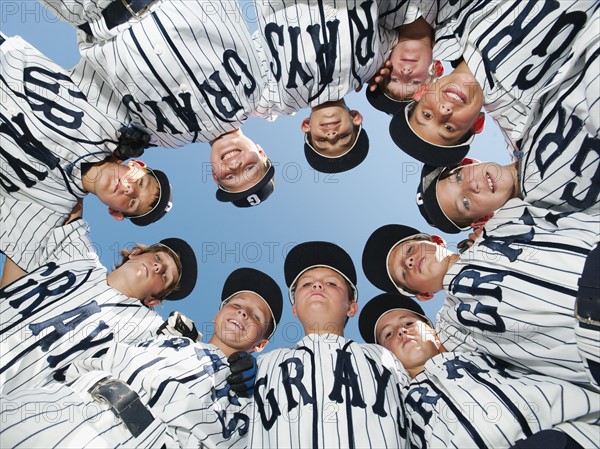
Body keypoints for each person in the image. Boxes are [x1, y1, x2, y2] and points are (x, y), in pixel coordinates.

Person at [0, 267, 283, 448]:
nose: (243, 313)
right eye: (236, 304)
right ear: (219, 313)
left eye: (256, 316)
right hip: (59, 406)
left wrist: (255, 393)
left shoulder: (254, 398)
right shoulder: (163, 334)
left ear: (261, 344)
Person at [35, 0, 275, 207]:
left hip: (89, 11)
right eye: (250, 169)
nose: (235, 166)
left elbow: (82, 114)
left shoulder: (160, 138)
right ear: (261, 152)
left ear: (215, 176)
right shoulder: (260, 85)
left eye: (230, 178)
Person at [362, 199, 600, 388]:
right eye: (404, 273)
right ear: (423, 294)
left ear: (436, 240)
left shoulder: (505, 218)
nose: (411, 261)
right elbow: (429, 363)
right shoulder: (451, 327)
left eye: (410, 249)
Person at [358, 292, 600, 449]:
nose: (401, 331)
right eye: (388, 334)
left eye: (409, 323)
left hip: (571, 436)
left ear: (432, 330)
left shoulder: (480, 344)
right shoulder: (396, 405)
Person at [0, 205, 198, 394]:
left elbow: (196, 366)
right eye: (158, 259)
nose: (158, 268)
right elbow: (66, 194)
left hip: (11, 397)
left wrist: (185, 346)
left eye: (164, 277)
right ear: (136, 253)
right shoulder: (79, 255)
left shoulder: (145, 326)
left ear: (152, 301)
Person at [388, 0, 598, 166]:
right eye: (449, 128)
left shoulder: (445, 28)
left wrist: (413, 39)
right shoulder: (522, 111)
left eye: (427, 114)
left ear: (423, 91)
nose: (443, 111)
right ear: (477, 124)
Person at [248, 241, 410, 448]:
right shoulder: (264, 364)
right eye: (306, 284)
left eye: (331, 283)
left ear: (351, 307)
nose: (317, 285)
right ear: (295, 308)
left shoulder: (383, 356)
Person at [250, 0, 421, 173]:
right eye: (344, 137)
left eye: (322, 141)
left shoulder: (279, 99)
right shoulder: (371, 65)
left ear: (306, 126)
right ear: (355, 117)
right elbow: (409, 24)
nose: (332, 135)